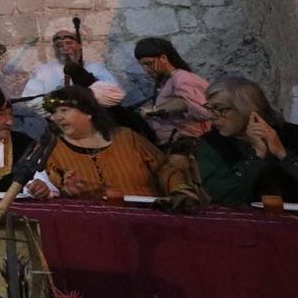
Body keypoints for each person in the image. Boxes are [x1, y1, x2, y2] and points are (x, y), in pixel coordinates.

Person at [26, 84, 200, 204]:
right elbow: (51, 189)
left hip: (149, 220)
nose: (58, 117)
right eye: (54, 113)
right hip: (93, 227)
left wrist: (180, 190)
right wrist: (67, 191)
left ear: (88, 113)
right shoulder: (53, 149)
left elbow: (165, 168)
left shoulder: (127, 138)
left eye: (64, 110)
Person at [192, 75, 298, 205]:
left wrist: (283, 154)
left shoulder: (291, 134)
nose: (213, 116)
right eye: (210, 108)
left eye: (221, 109)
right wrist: (256, 155)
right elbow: (222, 194)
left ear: (248, 109)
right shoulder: (211, 143)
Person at [18, 27, 124, 135]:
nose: (64, 48)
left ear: (79, 46)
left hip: (95, 126)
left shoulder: (95, 68)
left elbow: (115, 95)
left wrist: (82, 108)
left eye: (69, 43)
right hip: (60, 129)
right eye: (59, 45)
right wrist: (56, 115)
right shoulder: (44, 71)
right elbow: (32, 98)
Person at [133, 37, 210, 145]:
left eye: (149, 63)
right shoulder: (167, 81)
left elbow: (204, 111)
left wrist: (155, 110)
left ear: (163, 58)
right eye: (143, 65)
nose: (146, 69)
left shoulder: (182, 78)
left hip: (191, 143)